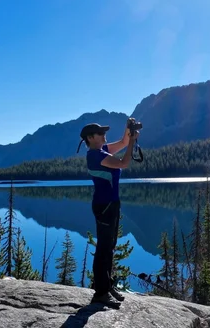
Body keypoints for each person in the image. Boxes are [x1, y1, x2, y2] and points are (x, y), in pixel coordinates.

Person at [76, 118, 139, 307]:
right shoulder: (95, 156)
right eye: (101, 133)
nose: (104, 135)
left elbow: (122, 143)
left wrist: (129, 131)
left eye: (104, 132)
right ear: (90, 137)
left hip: (111, 203)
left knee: (109, 247)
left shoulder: (101, 150)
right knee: (103, 248)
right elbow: (124, 162)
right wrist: (133, 143)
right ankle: (101, 292)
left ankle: (107, 285)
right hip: (104, 205)